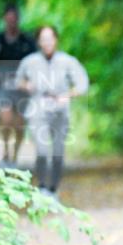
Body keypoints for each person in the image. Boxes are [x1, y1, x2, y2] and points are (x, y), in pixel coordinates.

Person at [15, 25, 89, 196]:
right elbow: (18, 81)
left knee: (58, 151)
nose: (47, 43)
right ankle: (42, 186)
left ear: (56, 40)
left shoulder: (68, 61)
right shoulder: (29, 61)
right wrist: (27, 85)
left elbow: (82, 83)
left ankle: (53, 188)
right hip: (38, 107)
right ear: (39, 42)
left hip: (60, 108)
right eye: (43, 39)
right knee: (41, 150)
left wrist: (69, 95)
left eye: (50, 38)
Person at [0, 3, 37, 166]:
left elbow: (34, 63)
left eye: (14, 20)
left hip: (22, 87)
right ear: (4, 19)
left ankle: (15, 154)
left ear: (17, 20)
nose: (11, 23)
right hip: (3, 86)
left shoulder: (27, 41)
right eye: (8, 19)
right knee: (6, 119)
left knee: (19, 124)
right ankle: (5, 153)